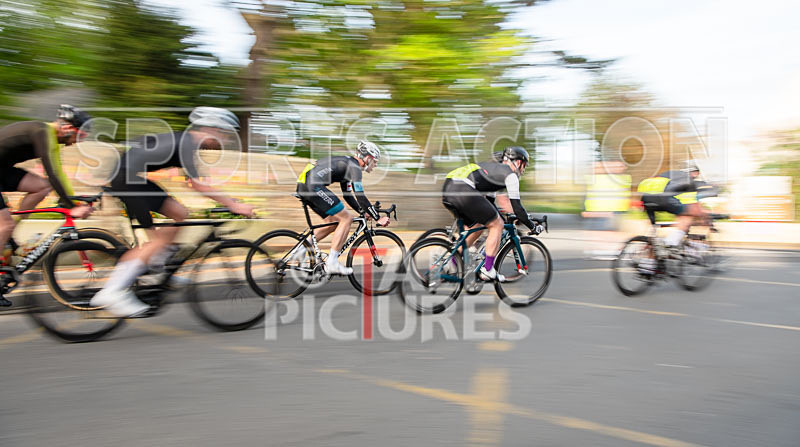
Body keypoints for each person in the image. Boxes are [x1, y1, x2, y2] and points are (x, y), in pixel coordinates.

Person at [89, 107, 255, 317]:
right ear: (212, 129)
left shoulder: (185, 142)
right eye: (224, 134)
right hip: (126, 179)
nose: (225, 141)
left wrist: (229, 200)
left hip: (130, 176)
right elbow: (198, 185)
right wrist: (235, 205)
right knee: (157, 241)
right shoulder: (187, 142)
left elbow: (193, 181)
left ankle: (159, 268)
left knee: (180, 213)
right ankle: (111, 292)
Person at [0, 105, 93, 306]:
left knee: (41, 186)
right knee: (3, 225)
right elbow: (53, 171)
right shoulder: (42, 132)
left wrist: (73, 200)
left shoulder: (49, 137)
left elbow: (57, 173)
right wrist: (71, 205)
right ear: (68, 128)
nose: (79, 141)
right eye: (79, 135)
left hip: (2, 169)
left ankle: (9, 237)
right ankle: (7, 232)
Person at [441, 146, 537, 282]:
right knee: (497, 224)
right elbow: (518, 208)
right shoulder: (510, 174)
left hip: (448, 187)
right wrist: (532, 226)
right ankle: (487, 269)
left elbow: (490, 204)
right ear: (519, 162)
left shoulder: (492, 172)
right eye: (524, 166)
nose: (523, 170)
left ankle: (452, 262)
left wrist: (502, 217)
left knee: (479, 226)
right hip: (462, 189)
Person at [295, 141, 391, 275]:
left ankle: (303, 248)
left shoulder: (348, 165)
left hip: (304, 185)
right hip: (313, 186)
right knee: (346, 219)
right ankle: (332, 263)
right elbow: (360, 195)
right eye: (375, 161)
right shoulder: (355, 168)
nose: (376, 165)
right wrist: (377, 217)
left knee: (333, 222)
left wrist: (363, 211)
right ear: (368, 158)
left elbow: (348, 195)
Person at [638, 160, 707, 247]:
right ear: (695, 173)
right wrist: (703, 217)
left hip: (646, 199)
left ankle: (648, 257)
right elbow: (693, 205)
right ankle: (670, 242)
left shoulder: (668, 173)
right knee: (687, 215)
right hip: (663, 199)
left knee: (654, 232)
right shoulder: (689, 181)